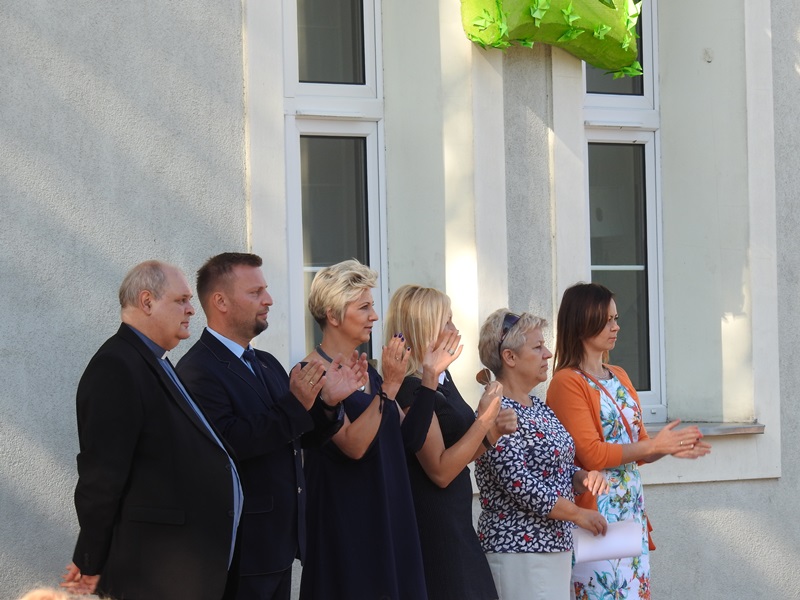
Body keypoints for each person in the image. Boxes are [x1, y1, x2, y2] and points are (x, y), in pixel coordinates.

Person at [176, 253, 368, 600]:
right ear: (220, 302)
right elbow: (231, 443)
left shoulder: (265, 362)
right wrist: (295, 404)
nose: (269, 300)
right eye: (255, 292)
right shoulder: (198, 371)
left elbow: (299, 436)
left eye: (265, 290)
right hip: (241, 550)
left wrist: (327, 403)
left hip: (279, 545)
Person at [62, 261, 243, 599]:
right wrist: (90, 559)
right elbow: (102, 477)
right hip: (155, 576)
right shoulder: (116, 366)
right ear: (147, 301)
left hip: (184, 572)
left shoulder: (155, 360)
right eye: (181, 300)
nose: (191, 309)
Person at [547, 282, 711, 600]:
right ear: (582, 322)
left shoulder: (619, 374)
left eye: (616, 318)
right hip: (596, 514)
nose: (616, 327)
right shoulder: (566, 382)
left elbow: (641, 446)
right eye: (607, 320)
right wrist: (654, 446)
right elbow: (592, 454)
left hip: (629, 509)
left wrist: (669, 446)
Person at [298, 260, 435, 600]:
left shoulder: (369, 373)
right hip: (349, 523)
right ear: (333, 315)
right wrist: (389, 387)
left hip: (388, 511)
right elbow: (353, 446)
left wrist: (429, 379)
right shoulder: (309, 373)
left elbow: (408, 440)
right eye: (364, 307)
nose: (374, 316)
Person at [385, 285, 515, 600]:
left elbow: (457, 454)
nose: (455, 329)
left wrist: (492, 432)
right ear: (425, 330)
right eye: (446, 322)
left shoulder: (443, 380)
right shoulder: (412, 389)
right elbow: (440, 471)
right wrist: (483, 421)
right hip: (436, 524)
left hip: (456, 517)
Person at [474, 309, 609, 600]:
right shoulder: (495, 409)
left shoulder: (538, 406)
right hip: (518, 551)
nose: (548, 354)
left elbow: (557, 466)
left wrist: (582, 477)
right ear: (509, 357)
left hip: (554, 548)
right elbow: (520, 484)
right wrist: (579, 514)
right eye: (537, 347)